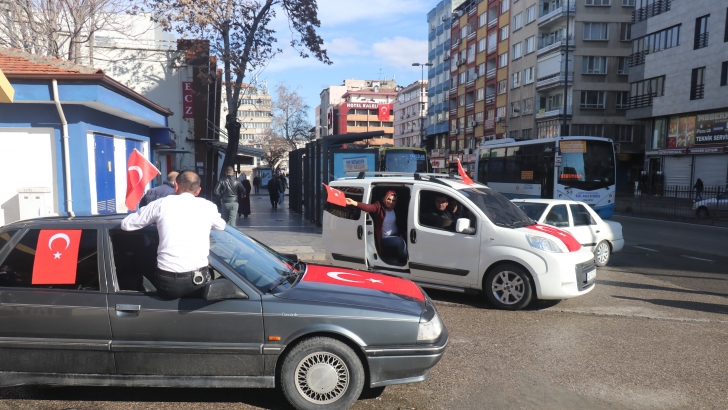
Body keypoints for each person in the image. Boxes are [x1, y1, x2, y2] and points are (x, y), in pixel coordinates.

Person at [120, 171, 226, 299]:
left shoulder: (160, 204)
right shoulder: (208, 207)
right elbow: (221, 226)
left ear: (176, 185)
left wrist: (156, 221)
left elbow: (126, 224)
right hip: (198, 280)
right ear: (198, 191)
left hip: (169, 282)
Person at [345, 190, 407, 261]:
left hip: (396, 234)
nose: (391, 202)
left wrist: (402, 233)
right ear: (384, 198)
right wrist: (353, 203)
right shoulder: (378, 207)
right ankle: (407, 260)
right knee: (400, 242)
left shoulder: (395, 210)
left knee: (408, 235)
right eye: (388, 199)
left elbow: (401, 223)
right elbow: (368, 207)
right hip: (385, 238)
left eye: (393, 200)